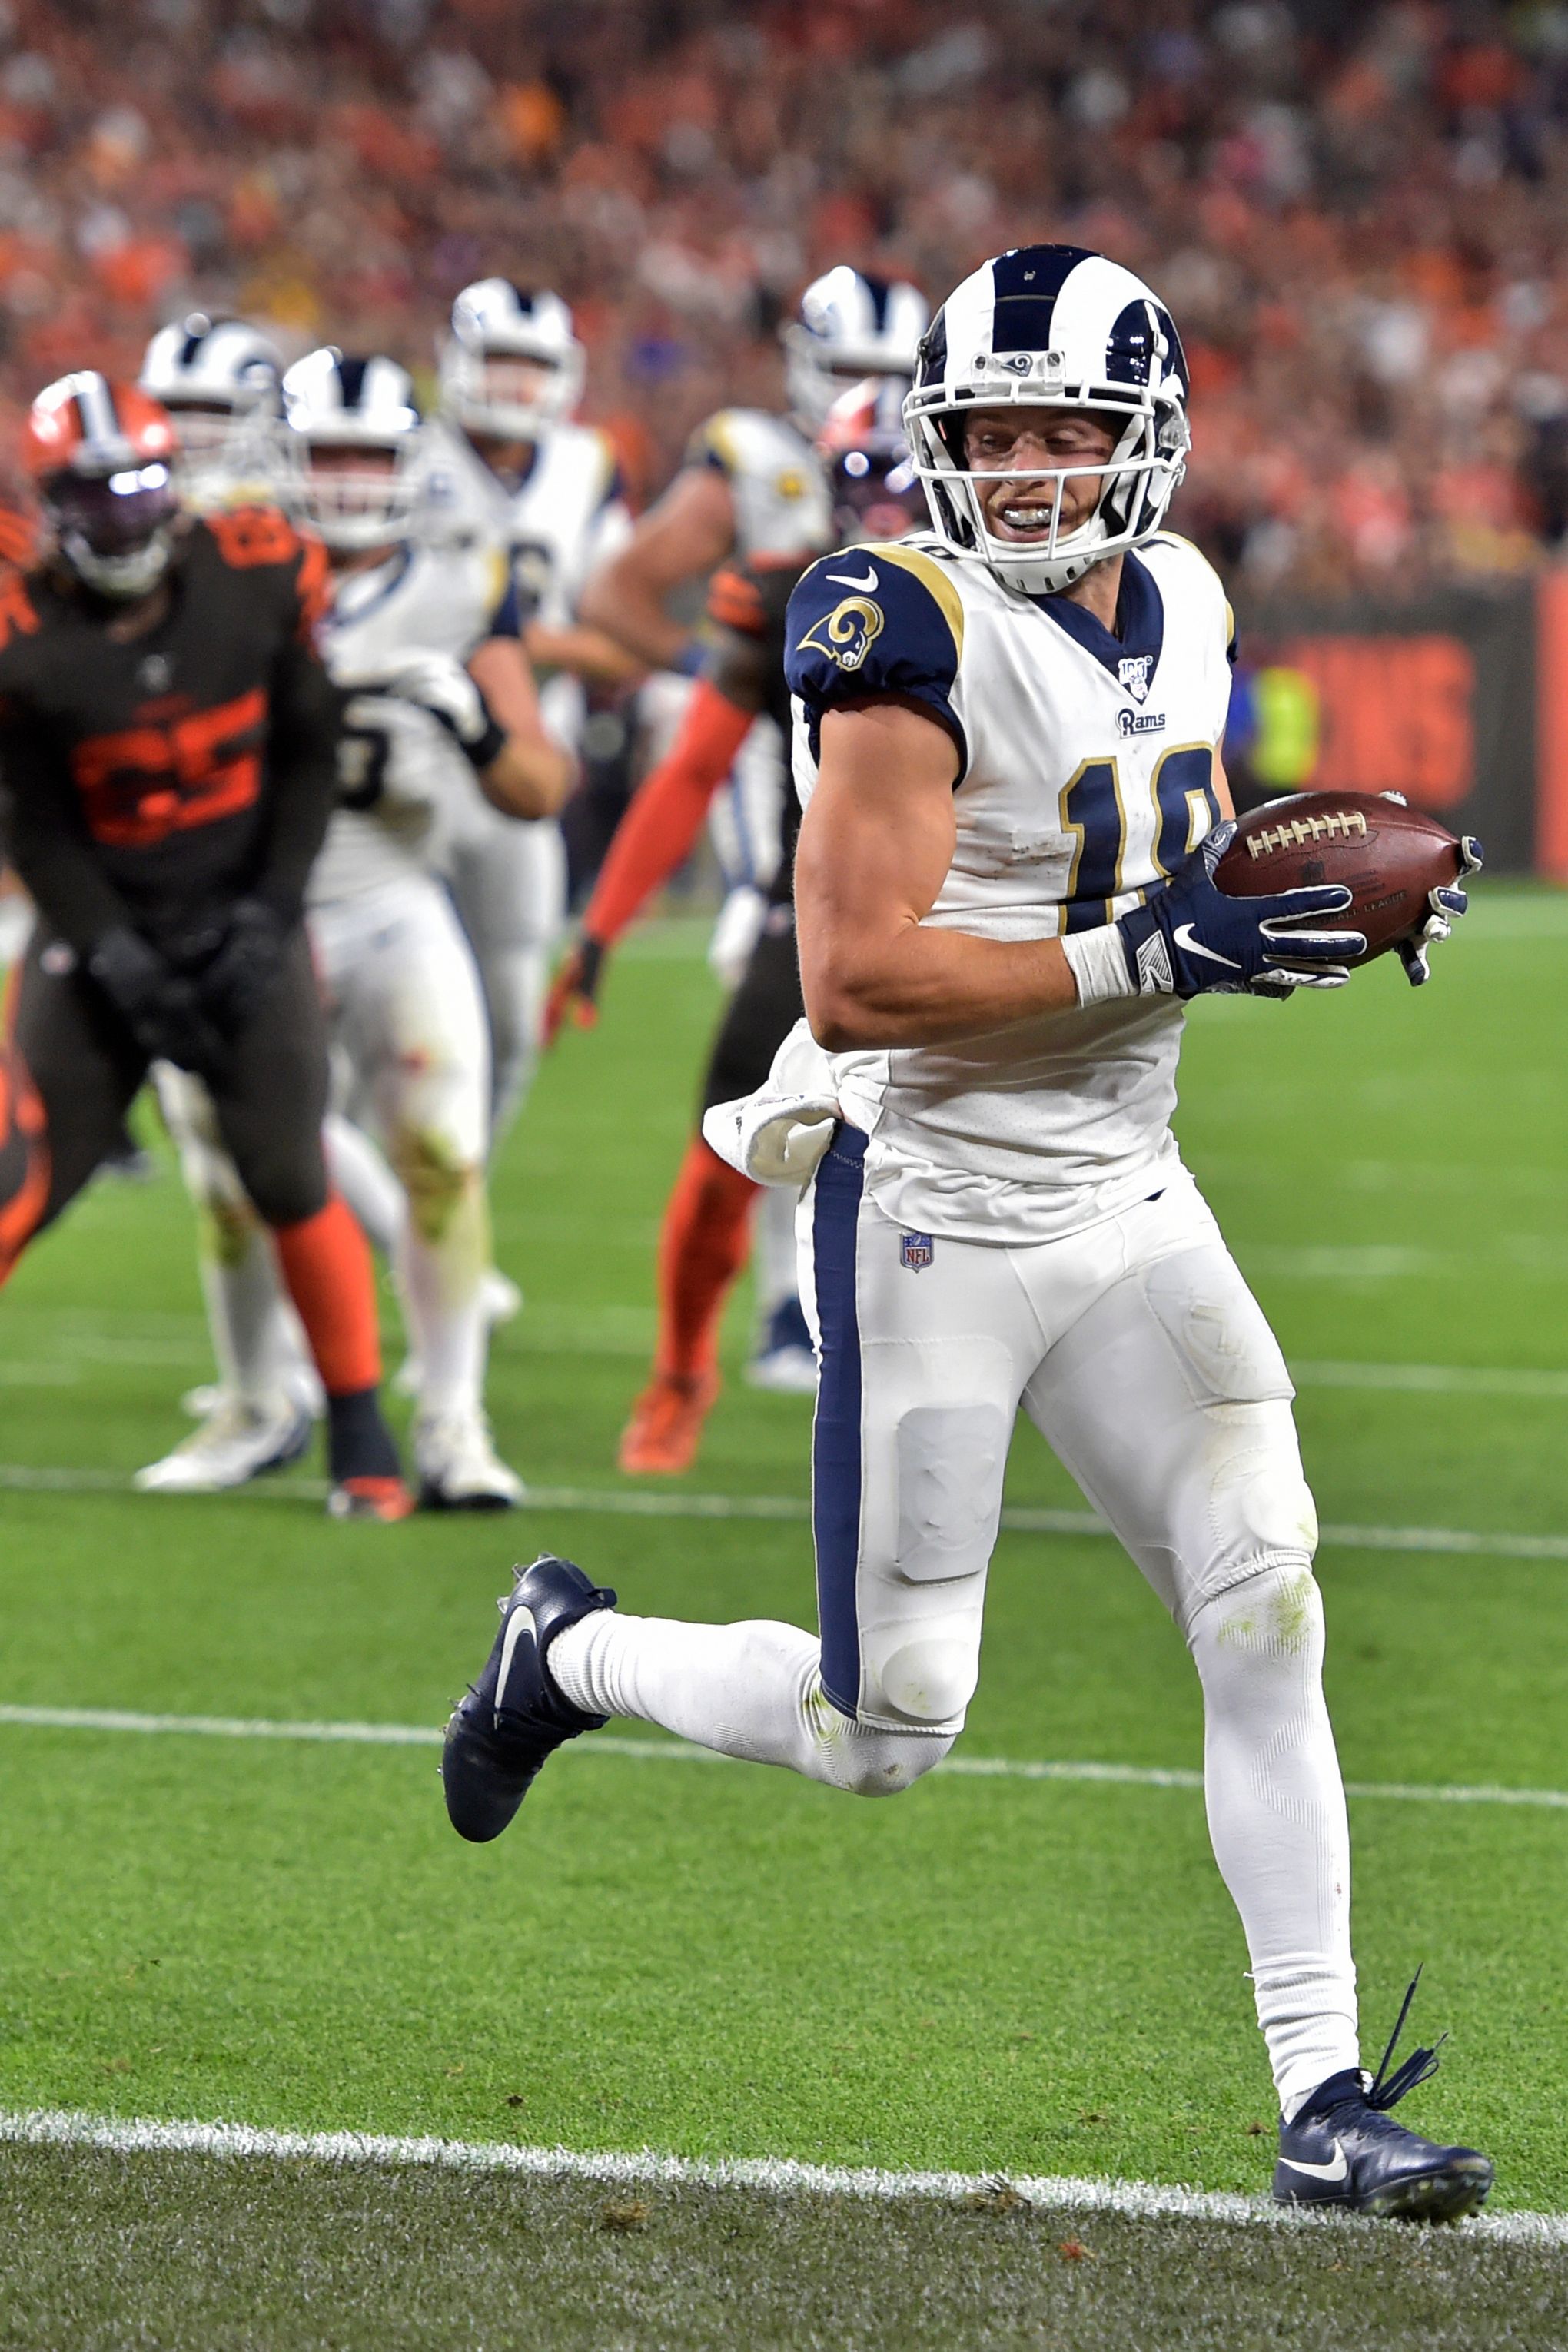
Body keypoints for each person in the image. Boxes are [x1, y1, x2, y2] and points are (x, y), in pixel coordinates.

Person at [440, 244, 1492, 2221]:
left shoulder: (1180, 597)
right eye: (988, 431)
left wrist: (1332, 886)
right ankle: (565, 1654)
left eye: (1060, 431)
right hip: (933, 1202)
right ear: (934, 442)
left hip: (1130, 1179)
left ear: (1144, 438)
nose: (1018, 469)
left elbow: (1155, 844)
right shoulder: (888, 622)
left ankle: (1319, 2091)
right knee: (882, 1731)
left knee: (1264, 1594)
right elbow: (848, 982)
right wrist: (1151, 942)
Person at [138, 350, 573, 1508]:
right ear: (278, 455)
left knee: (441, 1155)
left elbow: (539, 785)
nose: (341, 478)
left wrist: (474, 726)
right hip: (242, 912)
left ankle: (453, 1426)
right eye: (322, 451)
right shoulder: (208, 566)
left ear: (405, 463)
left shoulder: (459, 582)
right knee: (230, 1172)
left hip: (390, 901)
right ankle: (256, 1401)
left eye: (365, 454)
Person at [0, 370, 410, 1519]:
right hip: (100, 931)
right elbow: (32, 822)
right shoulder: (24, 640)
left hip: (240, 911)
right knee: (18, 1175)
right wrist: (112, 952)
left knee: (288, 1171)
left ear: (172, 483)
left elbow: (311, 755)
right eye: (91, 493)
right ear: (49, 504)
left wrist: (271, 910)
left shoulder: (258, 570)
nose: (121, 514)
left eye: (138, 485)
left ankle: (364, 1441)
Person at [547, 380, 927, 1473]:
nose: (888, 506)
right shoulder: (791, 596)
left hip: (980, 911)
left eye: (905, 480)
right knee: (724, 1153)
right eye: (863, 480)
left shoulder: (1017, 602)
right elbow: (693, 769)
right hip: (821, 912)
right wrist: (605, 926)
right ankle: (680, 1370)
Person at [421, 281, 638, 1142]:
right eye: (497, 361)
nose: (512, 385)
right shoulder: (403, 449)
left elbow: (624, 642)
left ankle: (452, 1198)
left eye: (530, 365)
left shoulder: (588, 467)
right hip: (399, 766)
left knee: (510, 1021)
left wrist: (504, 638)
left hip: (520, 772)